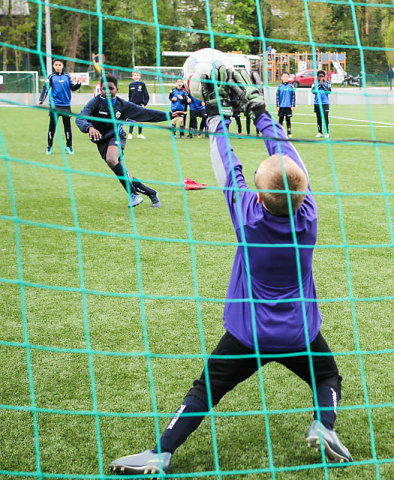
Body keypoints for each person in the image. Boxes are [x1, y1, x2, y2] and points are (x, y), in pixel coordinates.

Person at [109, 66, 353, 476]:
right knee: (328, 376)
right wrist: (260, 111)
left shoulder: (249, 217)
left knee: (205, 390)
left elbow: (228, 162)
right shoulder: (308, 214)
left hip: (247, 332)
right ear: (300, 192)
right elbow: (290, 160)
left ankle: (160, 453)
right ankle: (324, 425)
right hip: (298, 331)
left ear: (257, 195)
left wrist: (215, 115)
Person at [75, 74, 182, 208]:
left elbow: (146, 113)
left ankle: (133, 195)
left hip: (117, 136)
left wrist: (169, 115)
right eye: (104, 89)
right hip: (101, 140)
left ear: (117, 90)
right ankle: (151, 193)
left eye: (111, 88)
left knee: (111, 159)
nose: (107, 92)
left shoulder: (123, 105)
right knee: (124, 174)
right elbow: (79, 118)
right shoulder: (95, 103)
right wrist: (89, 127)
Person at [38, 58, 82, 155]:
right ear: (54, 66)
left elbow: (73, 88)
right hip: (54, 106)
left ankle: (69, 146)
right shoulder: (51, 77)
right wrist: (41, 100)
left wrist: (78, 84)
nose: (58, 66)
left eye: (60, 65)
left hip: (66, 106)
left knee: (67, 127)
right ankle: (49, 146)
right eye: (56, 65)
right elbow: (45, 88)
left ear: (62, 66)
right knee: (52, 127)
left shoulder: (67, 76)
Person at [127, 71, 150, 140]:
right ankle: (130, 133)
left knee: (140, 119)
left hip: (140, 105)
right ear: (132, 77)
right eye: (134, 75)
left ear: (140, 76)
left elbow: (146, 96)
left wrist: (144, 104)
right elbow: (129, 96)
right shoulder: (131, 85)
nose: (136, 76)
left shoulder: (142, 84)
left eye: (137, 75)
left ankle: (140, 134)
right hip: (132, 105)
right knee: (132, 119)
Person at [311, 70, 331, 138]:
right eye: (319, 77)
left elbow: (329, 92)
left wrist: (323, 86)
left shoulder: (327, 83)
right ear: (317, 77)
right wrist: (320, 85)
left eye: (322, 76)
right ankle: (320, 132)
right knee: (318, 118)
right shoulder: (315, 83)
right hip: (317, 103)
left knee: (325, 117)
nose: (321, 78)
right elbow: (313, 91)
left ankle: (327, 132)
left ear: (324, 77)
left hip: (325, 103)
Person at [276, 71, 296, 138]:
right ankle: (279, 133)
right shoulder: (279, 86)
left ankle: (289, 133)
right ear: (281, 77)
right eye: (284, 76)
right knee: (280, 120)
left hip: (288, 106)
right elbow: (277, 97)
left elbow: (293, 96)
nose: (285, 78)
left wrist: (293, 105)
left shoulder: (291, 86)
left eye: (286, 76)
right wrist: (277, 105)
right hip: (281, 106)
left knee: (288, 120)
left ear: (288, 77)